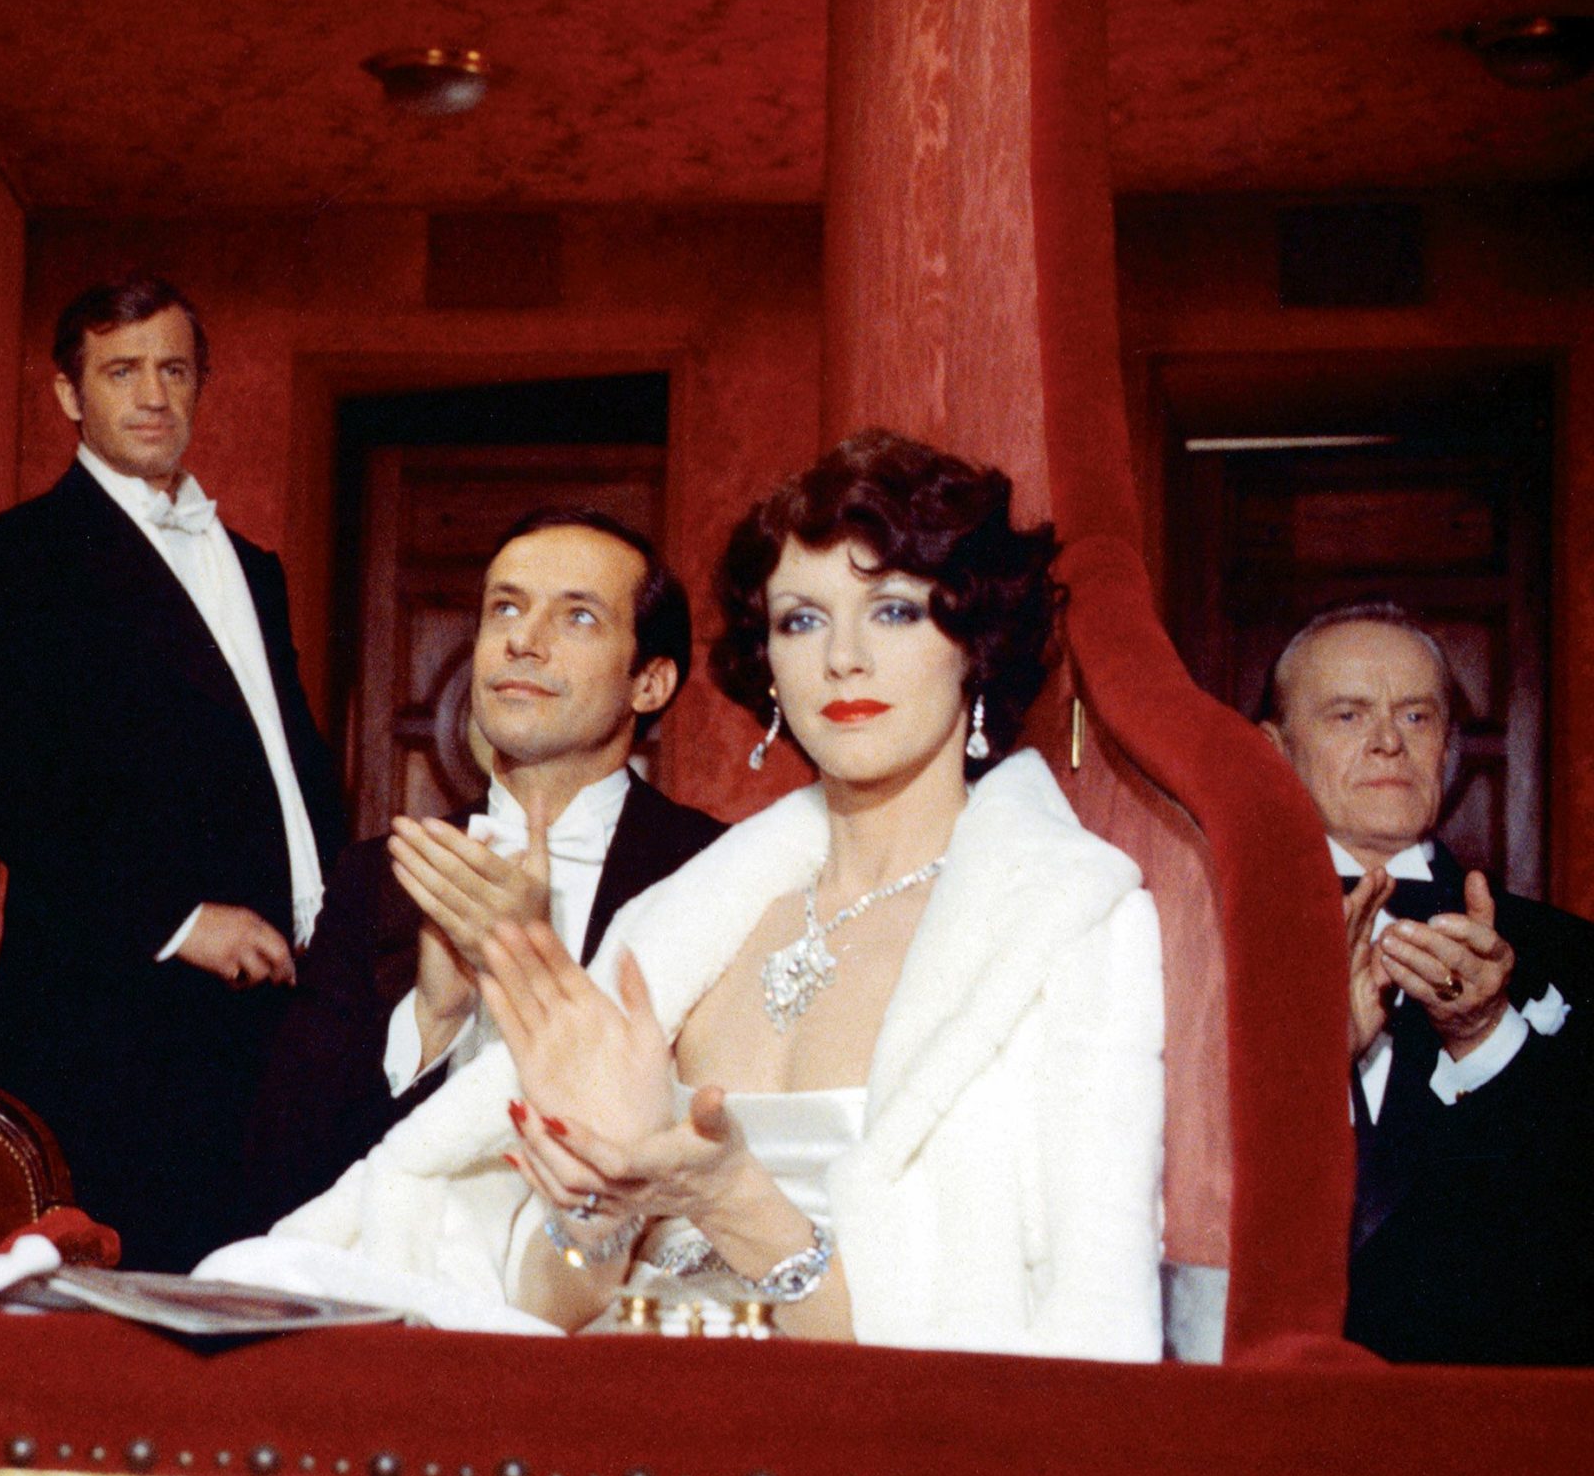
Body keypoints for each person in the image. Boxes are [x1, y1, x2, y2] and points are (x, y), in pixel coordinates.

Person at [259, 430, 1165, 1357]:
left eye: (894, 611)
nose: (843, 657)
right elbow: (539, 1302)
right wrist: (598, 1209)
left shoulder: (1067, 928)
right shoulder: (688, 921)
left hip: (857, 1432)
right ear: (768, 664)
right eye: (801, 621)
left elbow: (1077, 1340)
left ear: (974, 644)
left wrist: (736, 1201)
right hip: (599, 1407)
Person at [0, 277, 346, 1271]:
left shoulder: (254, 566)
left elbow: (284, 761)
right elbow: (5, 785)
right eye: (122, 372)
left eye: (174, 370)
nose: (153, 395)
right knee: (124, 1308)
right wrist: (180, 920)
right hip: (114, 1015)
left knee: (270, 1292)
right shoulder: (8, 557)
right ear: (69, 394)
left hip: (278, 1009)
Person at [241, 507, 724, 1230]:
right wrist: (432, 1020)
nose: (523, 640)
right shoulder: (379, 877)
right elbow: (277, 1178)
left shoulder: (711, 870)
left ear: (649, 683)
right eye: (506, 608)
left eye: (578, 617)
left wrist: (536, 972)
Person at [1259, 603, 1594, 1364]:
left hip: (1484, 1402)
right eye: (1348, 715)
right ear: (1276, 750)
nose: (1388, 741)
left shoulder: (1566, 954)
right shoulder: (1202, 945)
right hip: (1267, 1396)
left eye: (1416, 715)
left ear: (1448, 748)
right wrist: (1313, 1062)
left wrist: (1487, 1037)